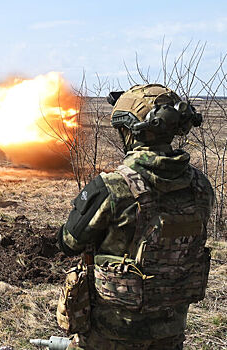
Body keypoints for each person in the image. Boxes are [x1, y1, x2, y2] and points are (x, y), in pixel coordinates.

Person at [55, 84, 214, 350]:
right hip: (169, 333)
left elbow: (68, 241)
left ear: (131, 132)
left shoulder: (113, 187)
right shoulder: (200, 187)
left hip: (110, 335)